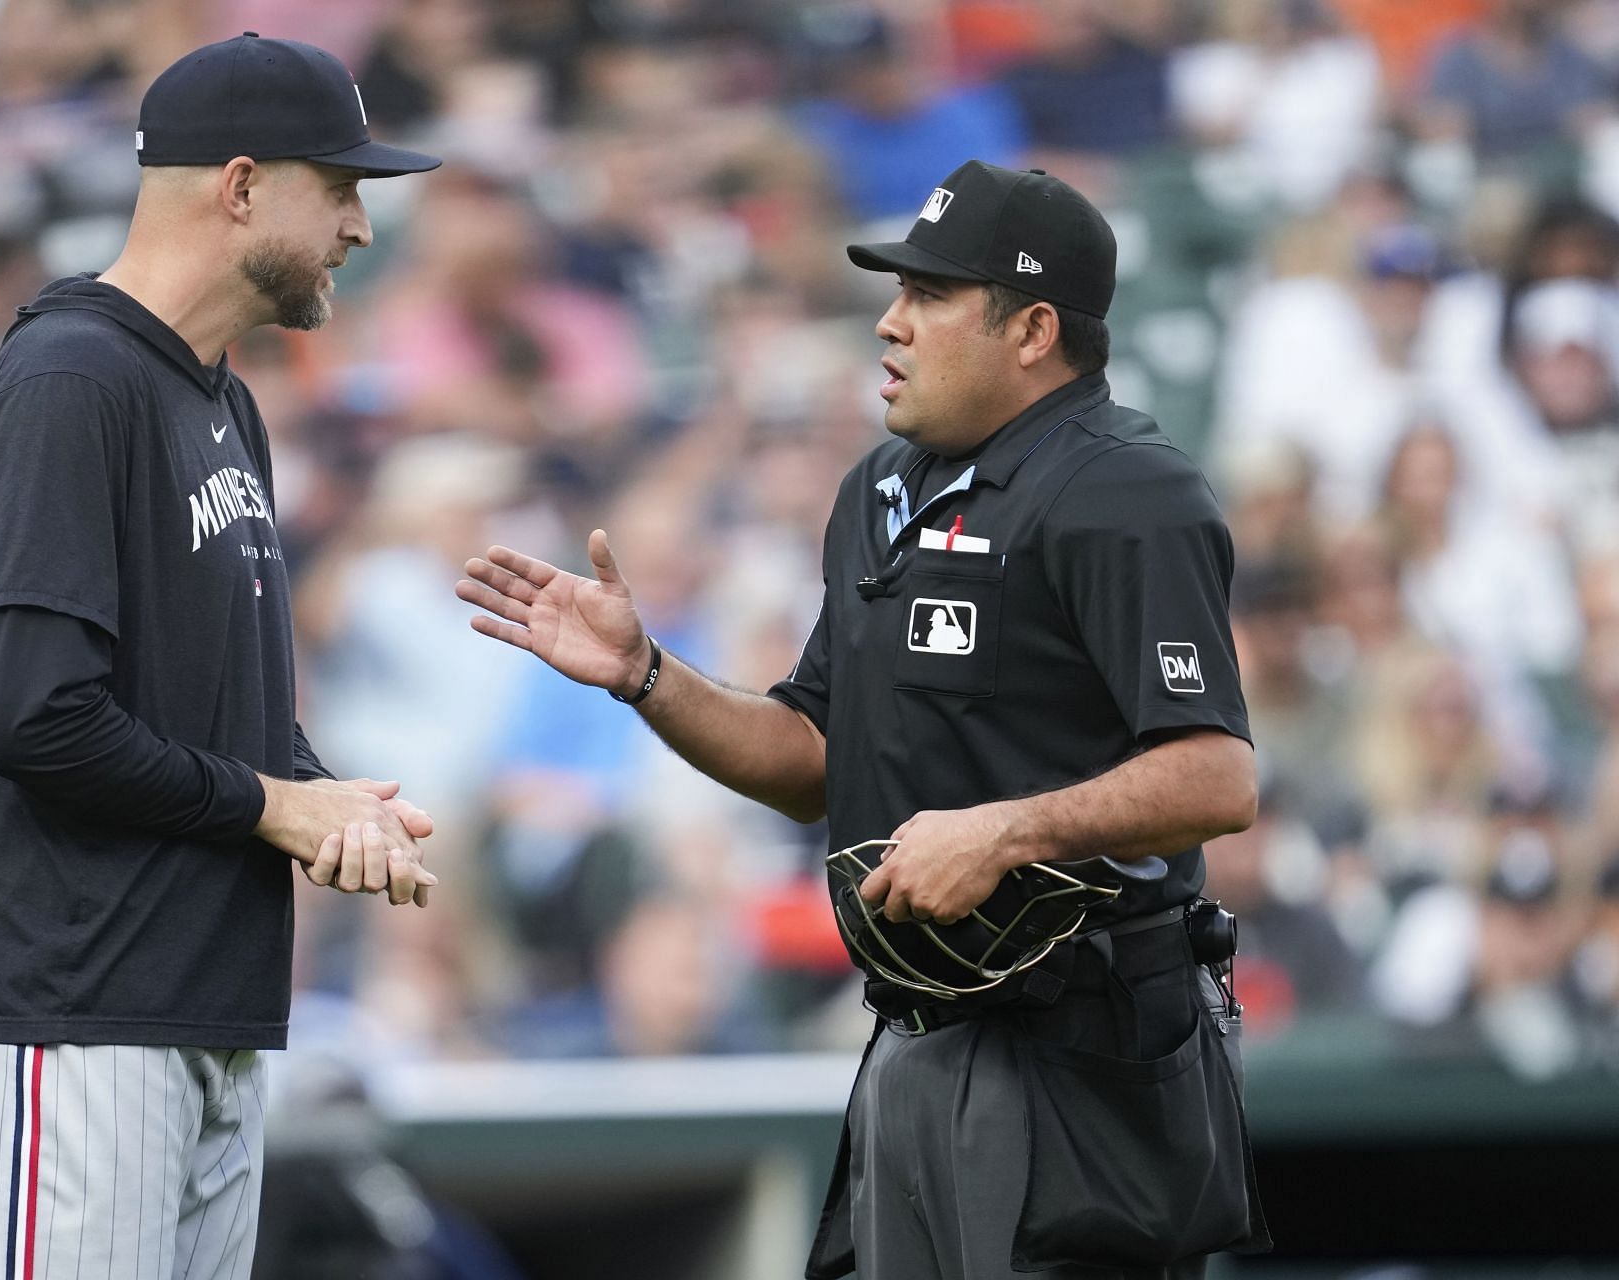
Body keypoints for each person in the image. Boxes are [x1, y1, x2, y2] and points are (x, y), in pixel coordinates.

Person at [459, 160, 1268, 1277]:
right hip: (911, 1033)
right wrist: (647, 673)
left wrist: (1002, 830)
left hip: (1083, 1055)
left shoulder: (1125, 488)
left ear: (1033, 328)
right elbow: (811, 758)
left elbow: (1216, 775)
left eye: (931, 296)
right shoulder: (883, 489)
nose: (889, 322)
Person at [0, 34, 442, 1280]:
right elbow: (31, 715)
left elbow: (217, 713)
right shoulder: (66, 378)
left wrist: (323, 797)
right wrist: (273, 803)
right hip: (80, 1004)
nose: (361, 227)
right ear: (242, 185)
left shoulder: (221, 396)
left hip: (199, 1003)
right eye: (342, 187)